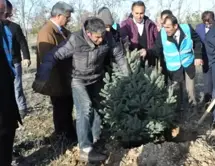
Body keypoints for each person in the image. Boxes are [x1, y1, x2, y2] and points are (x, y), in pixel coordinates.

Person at [34, 17, 129, 162]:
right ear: (89, 33)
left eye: (103, 36)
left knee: (98, 108)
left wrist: (128, 76)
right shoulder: (75, 40)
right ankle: (85, 148)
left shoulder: (107, 37)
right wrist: (42, 76)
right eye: (97, 37)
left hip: (96, 78)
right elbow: (53, 55)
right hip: (78, 79)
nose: (101, 40)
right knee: (85, 109)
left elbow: (119, 55)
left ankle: (95, 138)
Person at [140, 14, 203, 111]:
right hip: (173, 67)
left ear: (175, 26)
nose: (166, 30)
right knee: (177, 90)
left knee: (190, 90)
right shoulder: (162, 34)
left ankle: (193, 110)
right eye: (164, 27)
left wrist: (198, 56)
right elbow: (156, 49)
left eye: (168, 27)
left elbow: (198, 41)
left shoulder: (187, 29)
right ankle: (178, 111)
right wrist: (147, 52)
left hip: (188, 63)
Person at [34, 1, 76, 140]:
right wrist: (54, 84)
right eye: (67, 17)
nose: (69, 20)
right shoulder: (46, 32)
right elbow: (47, 60)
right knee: (60, 110)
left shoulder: (63, 31)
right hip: (57, 80)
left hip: (66, 78)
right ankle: (62, 136)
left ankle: (69, 134)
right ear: (59, 15)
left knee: (67, 108)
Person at [0, 0, 21, 165]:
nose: (6, 17)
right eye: (2, 13)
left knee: (8, 131)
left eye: (6, 13)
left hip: (6, 94)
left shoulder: (5, 29)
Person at [4, 0, 30, 119]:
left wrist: (26, 57)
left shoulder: (14, 27)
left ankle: (21, 108)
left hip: (15, 62)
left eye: (8, 13)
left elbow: (22, 43)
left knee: (17, 86)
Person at [120, 1, 158, 67]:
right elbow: (124, 44)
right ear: (132, 12)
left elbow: (157, 43)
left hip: (150, 62)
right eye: (136, 13)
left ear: (144, 12)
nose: (139, 16)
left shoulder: (151, 25)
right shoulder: (125, 25)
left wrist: (147, 51)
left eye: (141, 13)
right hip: (133, 64)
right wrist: (134, 54)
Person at [196, 11, 214, 105]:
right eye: (205, 21)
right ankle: (207, 100)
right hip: (205, 58)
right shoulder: (199, 28)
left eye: (209, 21)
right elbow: (196, 42)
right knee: (207, 81)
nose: (207, 24)